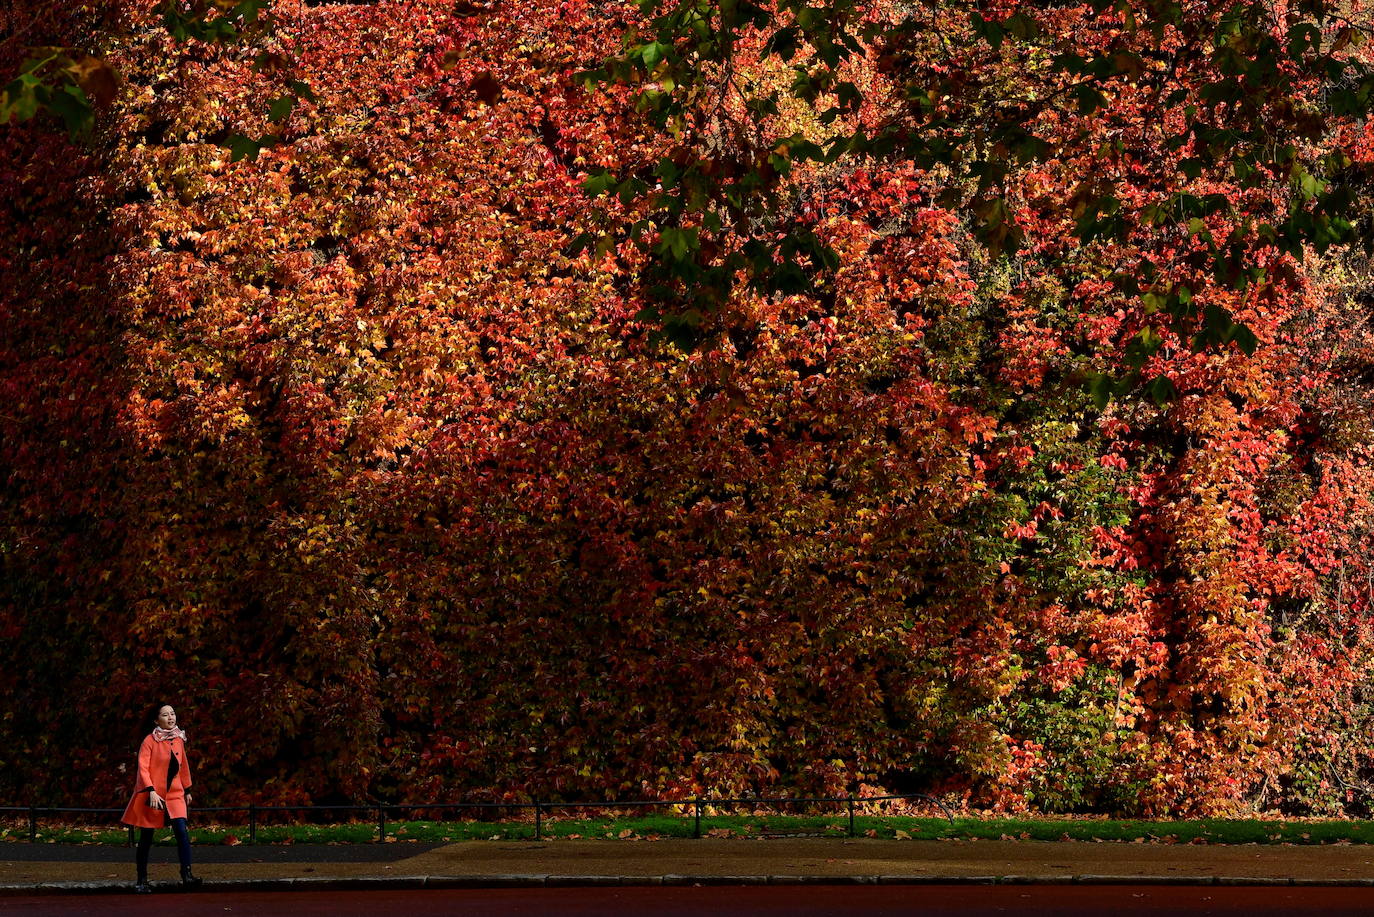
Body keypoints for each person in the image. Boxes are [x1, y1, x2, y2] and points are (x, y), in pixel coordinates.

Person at [120, 703, 201, 893]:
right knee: (146, 837)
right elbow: (143, 768)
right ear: (156, 720)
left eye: (173, 713)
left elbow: (183, 765)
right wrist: (150, 790)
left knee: (182, 832)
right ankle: (141, 880)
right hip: (153, 795)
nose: (171, 717)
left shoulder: (179, 738)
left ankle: (187, 875)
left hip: (175, 794)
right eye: (165, 715)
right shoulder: (149, 741)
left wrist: (187, 789)